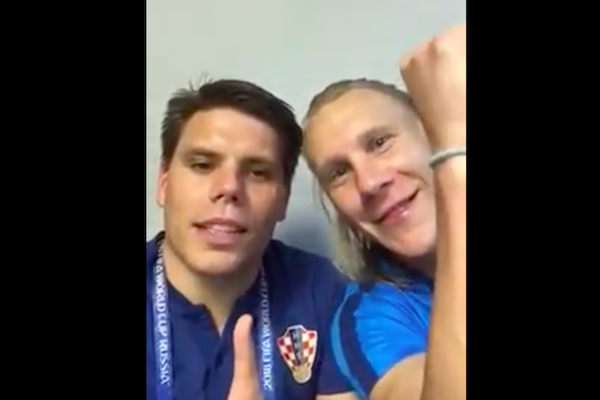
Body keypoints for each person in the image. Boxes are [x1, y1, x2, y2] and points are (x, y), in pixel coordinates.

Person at [145, 79, 360, 400]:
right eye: (202, 165)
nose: (229, 188)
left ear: (283, 199)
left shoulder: (326, 292)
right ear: (164, 183)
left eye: (258, 172)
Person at [302, 24, 466, 400]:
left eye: (379, 142)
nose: (369, 183)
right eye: (339, 172)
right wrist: (454, 155)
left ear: (430, 131)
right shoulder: (370, 317)